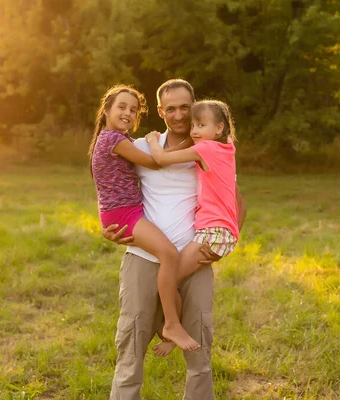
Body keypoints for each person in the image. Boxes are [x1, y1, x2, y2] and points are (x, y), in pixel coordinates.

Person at [102, 79, 247, 400]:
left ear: (194, 105)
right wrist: (108, 228)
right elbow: (112, 191)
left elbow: (237, 204)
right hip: (143, 258)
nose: (180, 115)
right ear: (160, 111)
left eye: (185, 107)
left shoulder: (211, 149)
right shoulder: (140, 147)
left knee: (199, 353)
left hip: (193, 260)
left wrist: (222, 246)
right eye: (171, 109)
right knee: (131, 348)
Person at [89, 84, 200, 352]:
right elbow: (155, 162)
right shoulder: (114, 140)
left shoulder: (113, 140)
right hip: (125, 214)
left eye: (133, 110)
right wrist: (186, 144)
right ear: (106, 110)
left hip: (127, 211)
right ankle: (171, 324)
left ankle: (166, 327)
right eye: (121, 107)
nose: (128, 113)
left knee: (168, 264)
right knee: (170, 255)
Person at [145, 99, 240, 356]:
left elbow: (162, 158)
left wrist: (153, 140)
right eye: (194, 125)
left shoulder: (207, 149)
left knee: (167, 281)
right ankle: (172, 330)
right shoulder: (226, 148)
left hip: (213, 231)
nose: (195, 131)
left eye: (201, 125)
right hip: (219, 230)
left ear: (219, 128)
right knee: (170, 282)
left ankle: (172, 330)